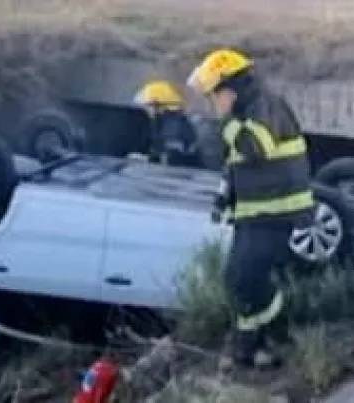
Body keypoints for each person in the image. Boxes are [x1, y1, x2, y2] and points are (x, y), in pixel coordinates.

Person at [186, 48, 315, 370]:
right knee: (237, 279)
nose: (213, 102)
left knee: (247, 278)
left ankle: (271, 335)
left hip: (277, 212)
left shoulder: (264, 107)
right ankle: (251, 344)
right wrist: (224, 197)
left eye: (215, 94)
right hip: (255, 212)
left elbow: (255, 149)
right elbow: (236, 166)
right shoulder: (246, 112)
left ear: (232, 87)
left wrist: (226, 122)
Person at [131, 79, 201, 166]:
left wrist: (147, 160)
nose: (146, 110)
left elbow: (171, 160)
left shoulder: (174, 126)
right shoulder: (164, 122)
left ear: (157, 105)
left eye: (148, 106)